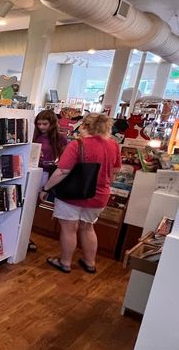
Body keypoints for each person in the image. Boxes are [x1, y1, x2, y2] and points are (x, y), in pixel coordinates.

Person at [40, 113, 121, 274]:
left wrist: (46, 188)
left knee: (69, 229)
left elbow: (62, 171)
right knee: (88, 227)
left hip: (73, 194)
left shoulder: (77, 144)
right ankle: (89, 262)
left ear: (84, 126)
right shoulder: (113, 145)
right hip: (100, 195)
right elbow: (116, 170)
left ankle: (65, 262)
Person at [28, 110, 67, 252]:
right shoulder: (34, 135)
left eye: (45, 124)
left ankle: (26, 236)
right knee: (28, 206)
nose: (41, 127)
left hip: (46, 174)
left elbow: (64, 158)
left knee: (34, 206)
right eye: (39, 124)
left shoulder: (60, 138)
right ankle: (25, 236)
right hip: (32, 172)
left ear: (52, 124)